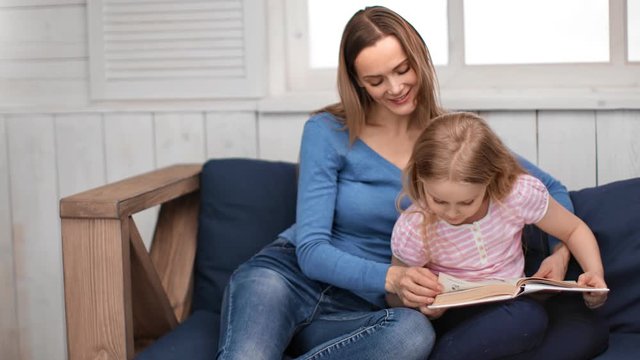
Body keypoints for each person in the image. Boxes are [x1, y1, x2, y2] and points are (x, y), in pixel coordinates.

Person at [217, 6, 608, 360]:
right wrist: (394, 277)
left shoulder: (448, 142)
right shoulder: (326, 131)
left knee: (412, 336)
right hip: (285, 279)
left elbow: (551, 190)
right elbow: (312, 250)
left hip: (363, 309)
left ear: (419, 58)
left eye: (402, 69)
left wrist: (557, 256)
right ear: (357, 83)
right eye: (375, 80)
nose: (395, 87)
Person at [388, 112, 608, 359]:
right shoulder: (415, 227)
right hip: (457, 315)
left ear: (490, 180)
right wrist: (417, 301)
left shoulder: (516, 195)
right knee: (527, 319)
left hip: (511, 299)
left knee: (590, 331)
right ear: (421, 179)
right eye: (438, 200)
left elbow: (574, 229)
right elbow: (395, 293)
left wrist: (595, 274)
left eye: (466, 202)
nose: (452, 213)